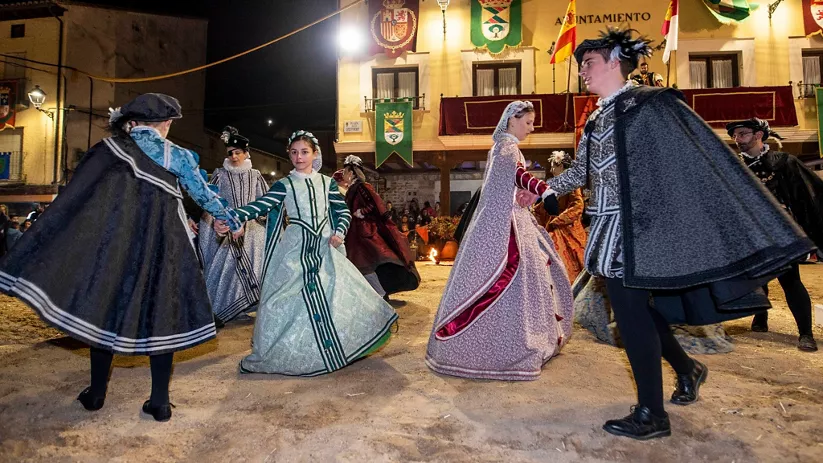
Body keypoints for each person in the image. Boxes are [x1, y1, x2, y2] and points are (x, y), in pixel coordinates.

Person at [543, 28, 814, 440]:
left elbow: (688, 163)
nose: (582, 70)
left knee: (632, 316)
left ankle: (653, 413)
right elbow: (584, 170)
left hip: (643, 229)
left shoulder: (649, 105)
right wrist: (545, 188)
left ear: (616, 62)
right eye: (581, 64)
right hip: (608, 227)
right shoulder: (597, 114)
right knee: (637, 312)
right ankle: (688, 368)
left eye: (589, 63)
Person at [0, 93, 243, 422]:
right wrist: (231, 220)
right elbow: (204, 194)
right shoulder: (179, 156)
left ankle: (97, 393)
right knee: (162, 313)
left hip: (117, 244)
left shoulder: (109, 150)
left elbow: (79, 196)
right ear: (166, 124)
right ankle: (159, 402)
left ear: (133, 122)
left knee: (106, 308)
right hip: (165, 246)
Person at [215, 130, 398, 376]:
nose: (299, 157)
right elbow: (261, 205)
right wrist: (232, 216)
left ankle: (338, 347)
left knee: (338, 294)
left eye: (304, 152)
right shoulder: (285, 184)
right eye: (294, 152)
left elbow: (342, 212)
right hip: (295, 248)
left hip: (324, 247)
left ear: (314, 154)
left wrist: (340, 231)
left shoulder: (327, 183)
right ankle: (299, 350)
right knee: (284, 299)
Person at [425, 100, 572, 381]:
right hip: (504, 227)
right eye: (528, 123)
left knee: (508, 281)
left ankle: (503, 339)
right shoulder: (507, 147)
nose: (531, 128)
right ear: (512, 120)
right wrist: (545, 190)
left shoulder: (502, 147)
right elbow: (518, 175)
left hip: (505, 220)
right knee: (502, 276)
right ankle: (503, 347)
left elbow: (513, 180)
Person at [726, 118, 822, 352]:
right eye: (735, 136)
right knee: (756, 278)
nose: (737, 140)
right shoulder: (733, 166)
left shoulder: (784, 163)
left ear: (759, 135)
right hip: (749, 234)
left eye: (742, 134)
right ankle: (760, 319)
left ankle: (805, 334)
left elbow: (806, 196)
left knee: (790, 281)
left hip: (781, 235)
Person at [198, 126, 270, 324]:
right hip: (227, 225)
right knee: (226, 267)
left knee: (258, 261)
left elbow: (265, 201)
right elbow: (211, 200)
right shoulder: (220, 174)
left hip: (253, 226)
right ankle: (227, 307)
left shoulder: (255, 175)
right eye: (231, 153)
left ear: (246, 153)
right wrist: (216, 222)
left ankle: (253, 303)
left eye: (238, 152)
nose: (234, 156)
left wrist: (260, 218)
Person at [342, 155, 420, 299]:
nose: (343, 174)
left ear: (352, 172)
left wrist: (362, 212)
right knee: (363, 265)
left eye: (345, 171)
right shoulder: (353, 188)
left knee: (365, 264)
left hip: (364, 234)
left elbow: (376, 204)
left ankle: (380, 293)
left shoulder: (362, 187)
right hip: (356, 233)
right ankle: (377, 292)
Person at [533, 150, 587, 282]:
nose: (551, 170)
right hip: (552, 223)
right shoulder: (552, 184)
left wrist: (559, 220)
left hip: (567, 226)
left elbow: (577, 205)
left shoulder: (571, 184)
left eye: (553, 166)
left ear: (560, 166)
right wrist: (534, 212)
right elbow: (543, 207)